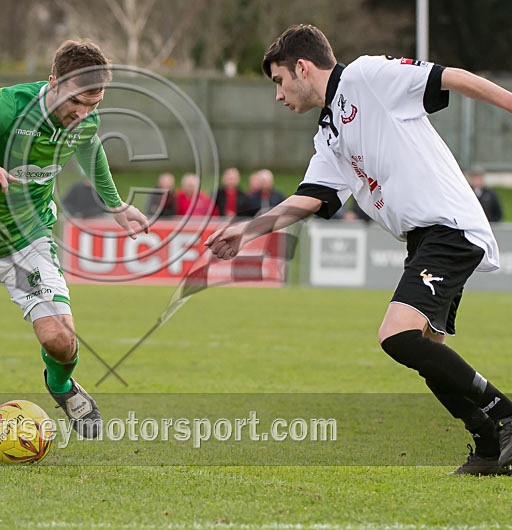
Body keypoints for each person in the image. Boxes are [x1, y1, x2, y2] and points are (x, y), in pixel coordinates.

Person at [206, 24, 512, 475]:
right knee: (428, 351)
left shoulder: (367, 76)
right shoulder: (329, 132)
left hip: (449, 226)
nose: (278, 95)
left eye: (278, 81)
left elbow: (451, 77)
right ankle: (489, 448)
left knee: (397, 335)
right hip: (424, 238)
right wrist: (247, 231)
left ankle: (504, 414)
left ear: (302, 68)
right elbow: (310, 197)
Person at [0, 39, 148, 454]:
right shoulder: (6, 107)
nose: (84, 113)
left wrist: (115, 205)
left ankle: (61, 386)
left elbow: (90, 150)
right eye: (77, 101)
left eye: (94, 104)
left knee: (60, 337)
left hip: (29, 236)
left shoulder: (86, 117)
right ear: (54, 82)